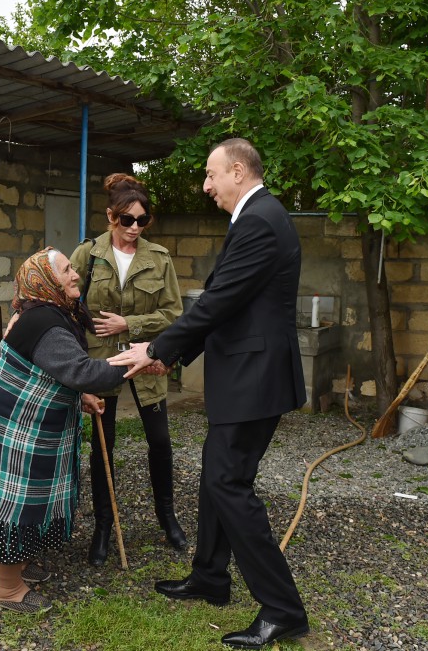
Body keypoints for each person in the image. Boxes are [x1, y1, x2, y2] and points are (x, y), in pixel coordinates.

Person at [108, 139, 310, 648]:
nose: (205, 185)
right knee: (217, 478)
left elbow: (218, 302)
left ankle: (282, 609)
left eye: (210, 174)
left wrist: (158, 344)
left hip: (254, 379)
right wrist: (167, 353)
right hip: (247, 376)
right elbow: (228, 304)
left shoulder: (260, 220)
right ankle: (210, 577)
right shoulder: (257, 216)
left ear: (237, 171)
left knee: (228, 485)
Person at [0, 248, 128, 613]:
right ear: (46, 280)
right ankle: (6, 589)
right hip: (9, 427)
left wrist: (79, 396)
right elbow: (81, 370)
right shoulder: (48, 324)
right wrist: (137, 361)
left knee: (27, 499)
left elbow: (50, 372)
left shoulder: (44, 313)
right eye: (67, 270)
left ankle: (16, 564)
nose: (75, 275)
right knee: (13, 503)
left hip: (12, 419)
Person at [69, 173, 186, 567]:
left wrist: (130, 325)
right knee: (103, 445)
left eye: (142, 220)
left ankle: (166, 517)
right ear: (110, 216)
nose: (134, 228)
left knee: (160, 441)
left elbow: (174, 313)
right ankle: (104, 526)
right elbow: (65, 302)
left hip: (146, 358)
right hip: (101, 361)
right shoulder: (88, 254)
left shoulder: (159, 258)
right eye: (126, 220)